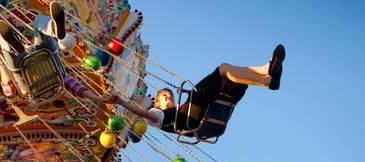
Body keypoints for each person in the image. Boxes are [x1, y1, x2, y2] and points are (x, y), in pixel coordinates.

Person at [113, 45, 285, 139]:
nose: (170, 98)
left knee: (230, 76)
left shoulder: (177, 108)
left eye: (171, 96)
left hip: (203, 112)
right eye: (165, 97)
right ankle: (265, 77)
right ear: (157, 102)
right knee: (223, 68)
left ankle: (266, 74)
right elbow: (142, 112)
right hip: (190, 120)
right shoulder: (156, 115)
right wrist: (120, 102)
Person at [0, 1, 114, 105]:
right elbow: (77, 88)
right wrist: (98, 98)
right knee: (39, 24)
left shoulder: (29, 58)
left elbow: (9, 91)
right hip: (51, 68)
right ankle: (52, 29)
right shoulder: (59, 75)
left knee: (5, 46)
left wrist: (1, 65)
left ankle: (13, 45)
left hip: (30, 84)